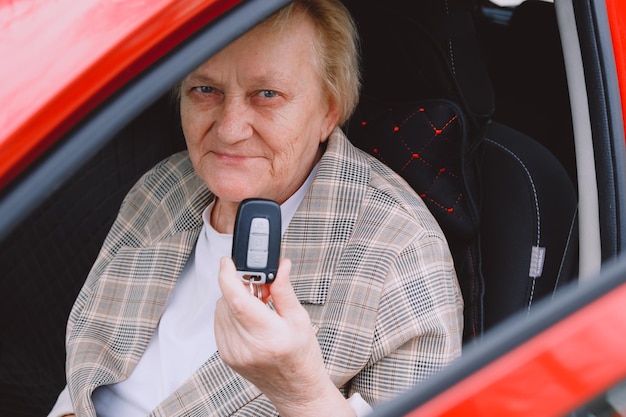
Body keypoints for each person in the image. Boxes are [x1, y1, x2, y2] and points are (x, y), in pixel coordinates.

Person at [48, 0, 463, 416]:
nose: (229, 129)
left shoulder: (400, 255)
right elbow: (87, 375)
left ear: (329, 110)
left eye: (267, 94)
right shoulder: (163, 188)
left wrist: (302, 394)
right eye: (205, 89)